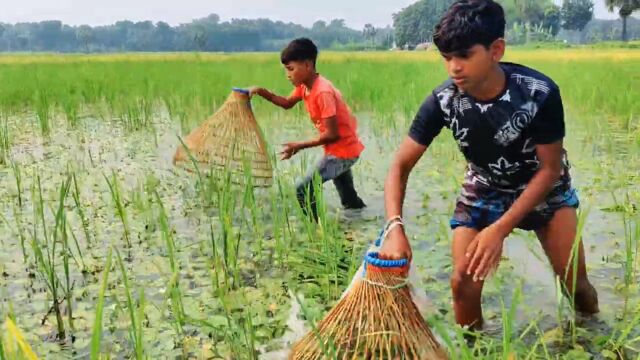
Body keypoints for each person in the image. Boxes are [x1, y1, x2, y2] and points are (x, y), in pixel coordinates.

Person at [379, 0, 599, 330]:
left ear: (496, 50)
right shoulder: (443, 101)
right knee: (461, 284)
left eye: (465, 55)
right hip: (485, 185)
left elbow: (550, 169)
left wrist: (500, 228)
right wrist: (394, 227)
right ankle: (474, 348)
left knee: (576, 287)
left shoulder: (538, 94)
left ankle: (594, 335)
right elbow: (400, 166)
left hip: (542, 187)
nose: (454, 67)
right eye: (447, 58)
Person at [250, 38, 366, 220]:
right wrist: (260, 91)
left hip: (343, 152)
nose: (288, 75)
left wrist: (299, 145)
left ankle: (317, 232)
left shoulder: (323, 92)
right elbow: (287, 103)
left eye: (291, 69)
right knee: (350, 201)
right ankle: (361, 223)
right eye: (286, 70)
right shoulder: (306, 87)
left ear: (307, 65)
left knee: (303, 190)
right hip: (340, 150)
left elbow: (332, 134)